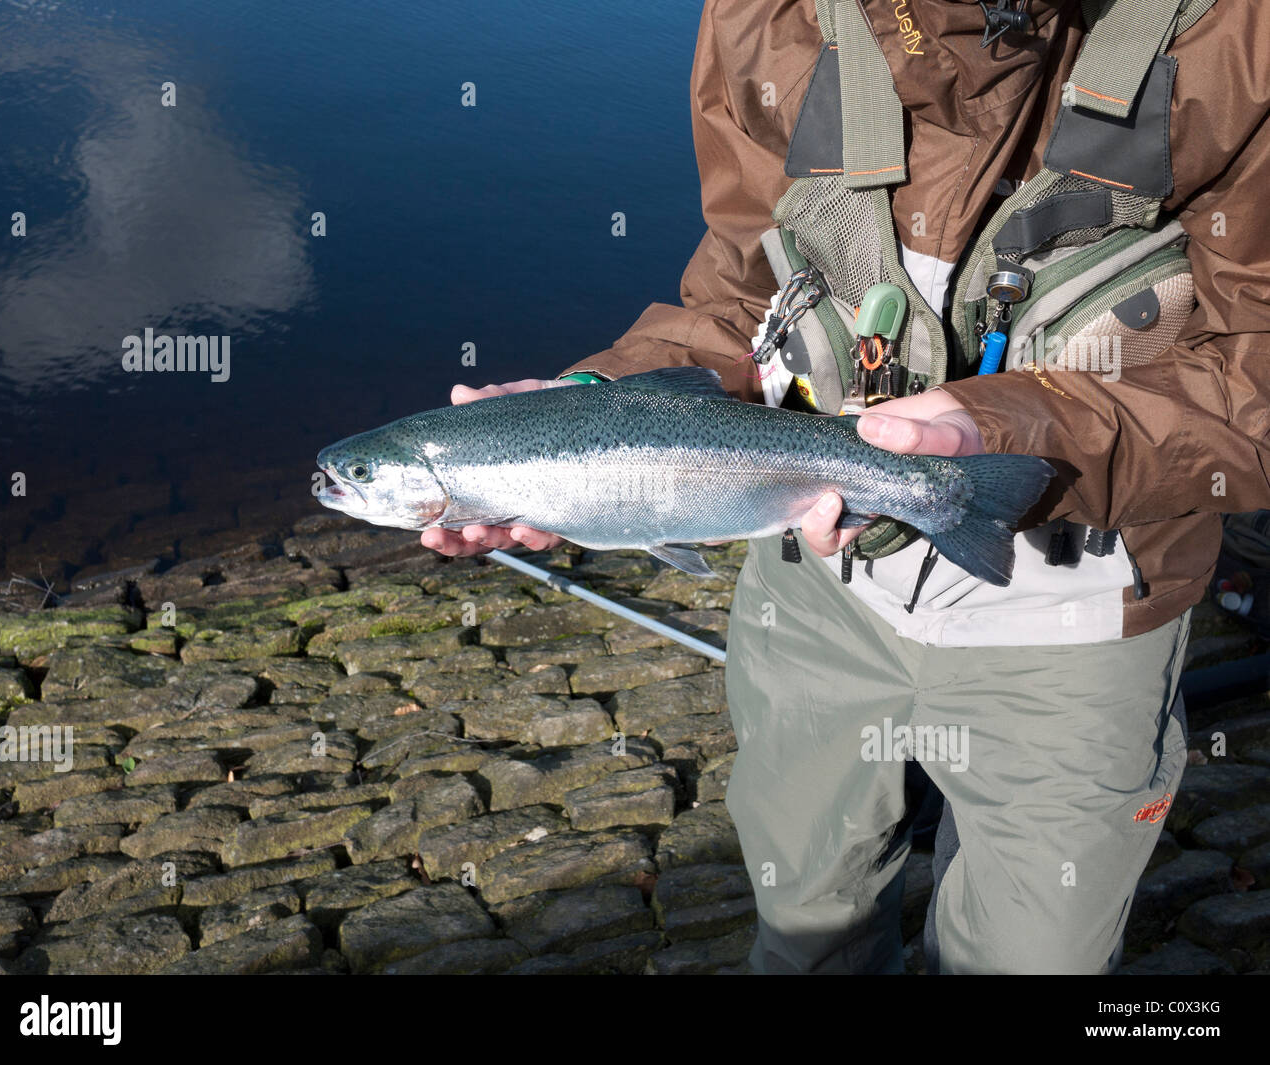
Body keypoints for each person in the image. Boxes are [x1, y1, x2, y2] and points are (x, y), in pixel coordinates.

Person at [421, 0, 1270, 974]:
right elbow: (744, 296)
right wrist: (586, 407)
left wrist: (1001, 430)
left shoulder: (1237, 33)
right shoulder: (765, 15)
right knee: (807, 932)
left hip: (1081, 603)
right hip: (812, 584)